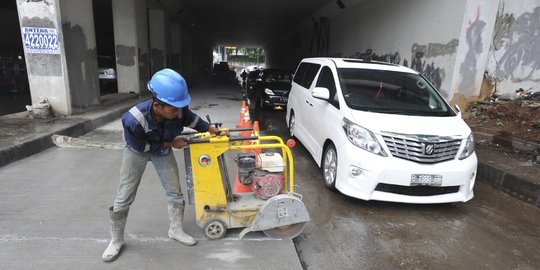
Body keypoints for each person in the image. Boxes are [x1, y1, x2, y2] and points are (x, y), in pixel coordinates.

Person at [102, 68, 228, 262]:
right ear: (157, 105)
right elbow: (141, 145)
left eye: (179, 107)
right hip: (137, 151)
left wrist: (214, 131)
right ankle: (116, 240)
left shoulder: (177, 109)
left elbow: (193, 120)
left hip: (162, 151)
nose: (177, 111)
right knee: (124, 195)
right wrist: (172, 143)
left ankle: (175, 230)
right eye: (172, 108)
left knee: (174, 191)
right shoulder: (134, 119)